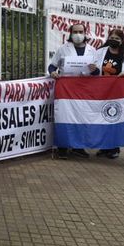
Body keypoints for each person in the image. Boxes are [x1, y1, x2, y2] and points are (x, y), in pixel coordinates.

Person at [49, 23, 96, 159]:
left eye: (80, 32)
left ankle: (78, 147)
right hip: (66, 89)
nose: (78, 35)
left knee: (82, 117)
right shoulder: (63, 49)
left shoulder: (92, 50)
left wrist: (94, 69)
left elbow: (96, 71)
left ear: (85, 33)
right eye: (75, 32)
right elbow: (52, 66)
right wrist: (53, 73)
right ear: (70, 33)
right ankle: (62, 147)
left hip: (84, 89)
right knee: (64, 117)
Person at [88, 29, 124, 159]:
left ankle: (114, 148)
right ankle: (104, 147)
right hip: (102, 90)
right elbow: (95, 71)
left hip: (118, 92)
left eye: (117, 39)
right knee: (102, 118)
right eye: (112, 37)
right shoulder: (100, 52)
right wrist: (93, 70)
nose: (114, 40)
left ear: (122, 41)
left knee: (115, 118)